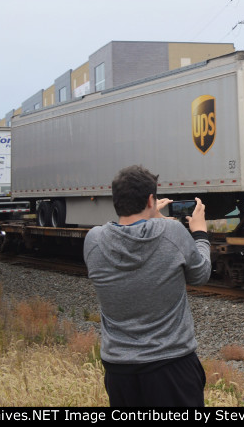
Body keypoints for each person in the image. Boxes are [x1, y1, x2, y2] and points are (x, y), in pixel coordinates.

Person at [83, 165, 211, 407]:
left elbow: (123, 232)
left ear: (116, 200)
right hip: (171, 366)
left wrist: (152, 217)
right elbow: (201, 273)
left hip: (119, 371)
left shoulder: (94, 241)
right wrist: (200, 233)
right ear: (151, 199)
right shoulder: (172, 232)